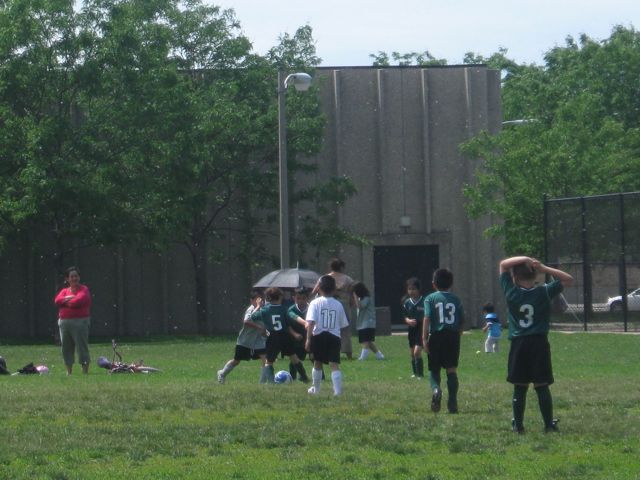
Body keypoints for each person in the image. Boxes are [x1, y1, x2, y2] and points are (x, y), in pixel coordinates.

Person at [499, 256, 573, 434]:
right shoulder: (543, 292)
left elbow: (503, 264)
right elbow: (568, 279)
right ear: (535, 276)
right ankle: (548, 425)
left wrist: (524, 258)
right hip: (539, 343)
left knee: (520, 385)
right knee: (541, 385)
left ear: (514, 277)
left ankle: (518, 425)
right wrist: (544, 268)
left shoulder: (511, 292)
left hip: (519, 343)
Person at [423, 268, 464, 414]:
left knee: (434, 369)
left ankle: (436, 390)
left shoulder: (430, 299)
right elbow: (462, 321)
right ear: (451, 283)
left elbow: (427, 318)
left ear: (434, 283)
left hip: (436, 336)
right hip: (452, 336)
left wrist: (424, 338)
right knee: (451, 369)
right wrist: (457, 335)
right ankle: (452, 402)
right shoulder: (456, 300)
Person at [252, 287, 309, 384]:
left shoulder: (265, 310)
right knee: (293, 357)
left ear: (268, 298)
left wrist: (258, 306)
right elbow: (288, 323)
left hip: (272, 337)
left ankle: (270, 382)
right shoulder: (283, 309)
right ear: (280, 297)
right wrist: (295, 332)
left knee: (269, 361)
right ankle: (304, 377)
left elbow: (253, 317)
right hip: (285, 336)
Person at [305, 275, 349, 396]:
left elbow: (311, 322)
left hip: (319, 335)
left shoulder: (314, 303)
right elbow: (342, 324)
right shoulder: (338, 304)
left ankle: (317, 389)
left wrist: (308, 339)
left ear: (318, 288)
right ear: (334, 289)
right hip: (334, 337)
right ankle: (338, 391)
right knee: (334, 365)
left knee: (317, 363)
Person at [217, 290, 268, 384]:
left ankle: (262, 384)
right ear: (252, 301)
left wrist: (267, 333)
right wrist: (258, 326)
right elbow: (246, 321)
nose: (260, 301)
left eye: (261, 299)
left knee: (265, 360)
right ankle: (222, 373)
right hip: (245, 341)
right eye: (257, 299)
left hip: (258, 341)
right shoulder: (251, 309)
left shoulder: (264, 310)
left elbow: (265, 326)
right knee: (236, 361)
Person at [314, 258, 355, 360]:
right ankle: (348, 353)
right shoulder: (348, 279)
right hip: (344, 304)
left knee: (327, 327)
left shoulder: (324, 278)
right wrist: (351, 303)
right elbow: (353, 293)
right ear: (341, 267)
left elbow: (315, 290)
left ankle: (327, 350)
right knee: (345, 329)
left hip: (327, 303)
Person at [54, 266, 92, 375]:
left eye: (76, 276)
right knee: (66, 348)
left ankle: (85, 371)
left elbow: (77, 302)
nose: (74, 278)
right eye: (71, 276)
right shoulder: (64, 291)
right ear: (67, 279)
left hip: (80, 322)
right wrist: (68, 298)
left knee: (81, 347)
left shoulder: (84, 289)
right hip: (64, 323)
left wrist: (65, 302)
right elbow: (57, 301)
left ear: (79, 277)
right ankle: (69, 372)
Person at [352, 282, 384, 360]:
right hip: (362, 323)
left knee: (365, 341)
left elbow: (360, 306)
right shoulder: (361, 299)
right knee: (368, 341)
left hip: (368, 323)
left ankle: (363, 357)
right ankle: (379, 355)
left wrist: (355, 297)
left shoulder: (367, 298)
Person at [402, 277, 425, 378]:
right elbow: (404, 316)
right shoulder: (407, 302)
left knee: (417, 352)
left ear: (419, 289)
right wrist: (408, 320)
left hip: (421, 328)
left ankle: (420, 374)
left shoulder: (424, 301)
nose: (411, 291)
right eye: (409, 289)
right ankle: (415, 373)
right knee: (412, 353)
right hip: (412, 330)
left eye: (413, 289)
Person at [287, 287, 311, 381]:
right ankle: (292, 377)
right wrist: (294, 334)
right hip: (296, 338)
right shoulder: (291, 310)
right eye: (298, 298)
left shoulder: (311, 308)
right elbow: (291, 322)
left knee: (314, 357)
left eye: (303, 298)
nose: (301, 301)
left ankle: (321, 377)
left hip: (310, 336)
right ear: (294, 298)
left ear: (307, 298)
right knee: (295, 358)